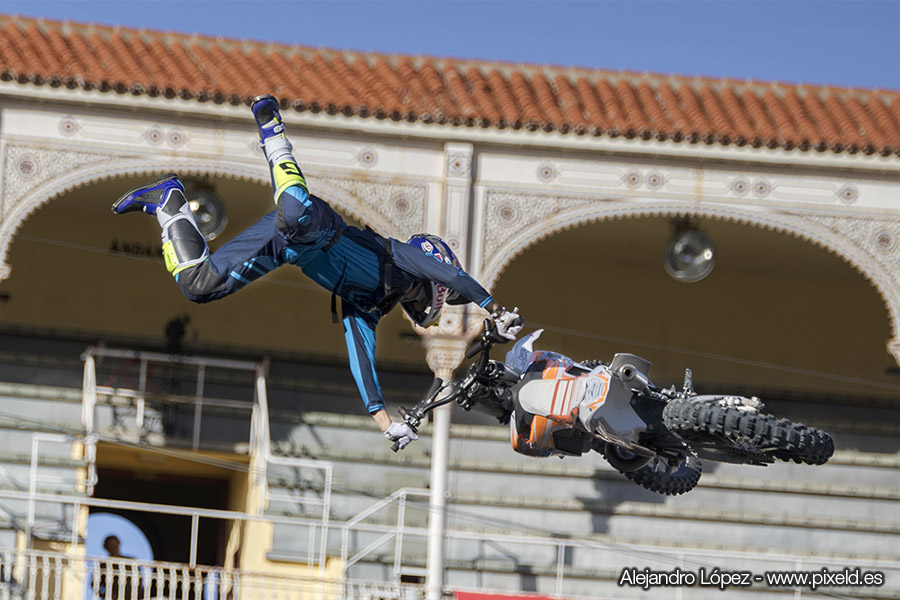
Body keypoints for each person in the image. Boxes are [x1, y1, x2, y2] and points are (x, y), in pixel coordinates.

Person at [112, 94, 523, 450]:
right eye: (435, 295)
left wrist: (385, 423)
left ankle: (170, 204)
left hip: (284, 248)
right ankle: (273, 132)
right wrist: (494, 309)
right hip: (320, 226)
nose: (427, 305)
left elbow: (361, 362)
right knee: (294, 212)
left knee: (198, 286)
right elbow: (453, 278)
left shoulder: (365, 308)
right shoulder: (404, 258)